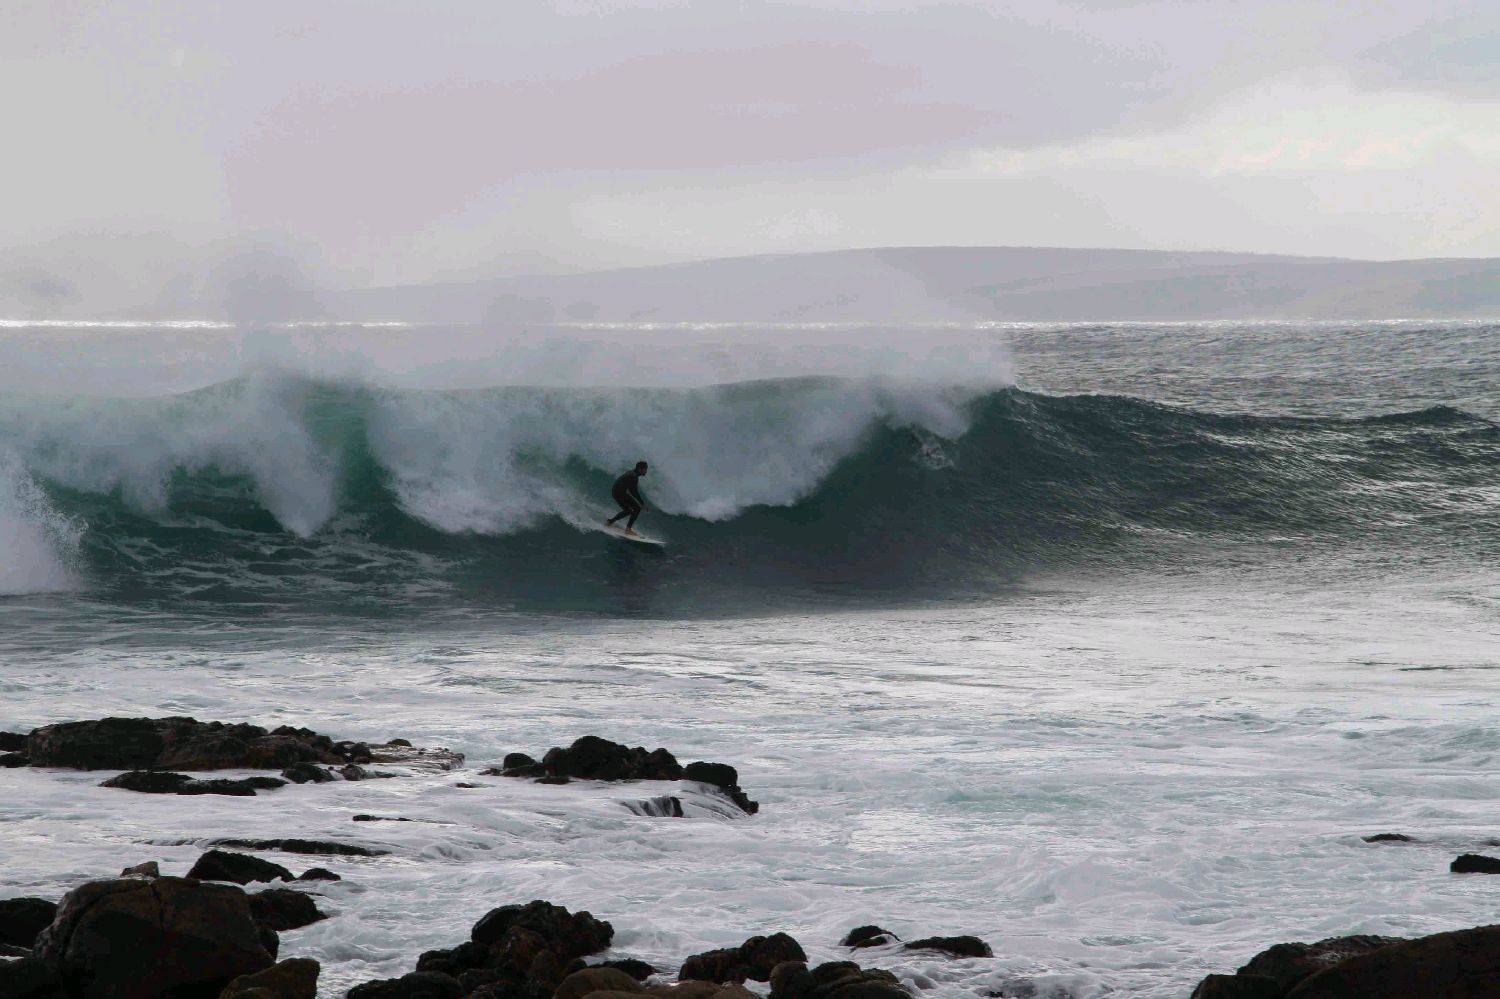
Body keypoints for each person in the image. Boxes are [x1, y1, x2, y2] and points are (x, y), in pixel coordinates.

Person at [606, 460, 649, 535]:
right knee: (636, 509)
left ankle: (610, 522)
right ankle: (628, 529)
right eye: (645, 469)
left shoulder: (632, 473)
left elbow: (631, 490)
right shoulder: (633, 476)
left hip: (618, 492)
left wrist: (641, 503)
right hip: (619, 493)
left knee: (629, 510)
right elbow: (633, 492)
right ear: (640, 469)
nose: (646, 471)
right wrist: (642, 503)